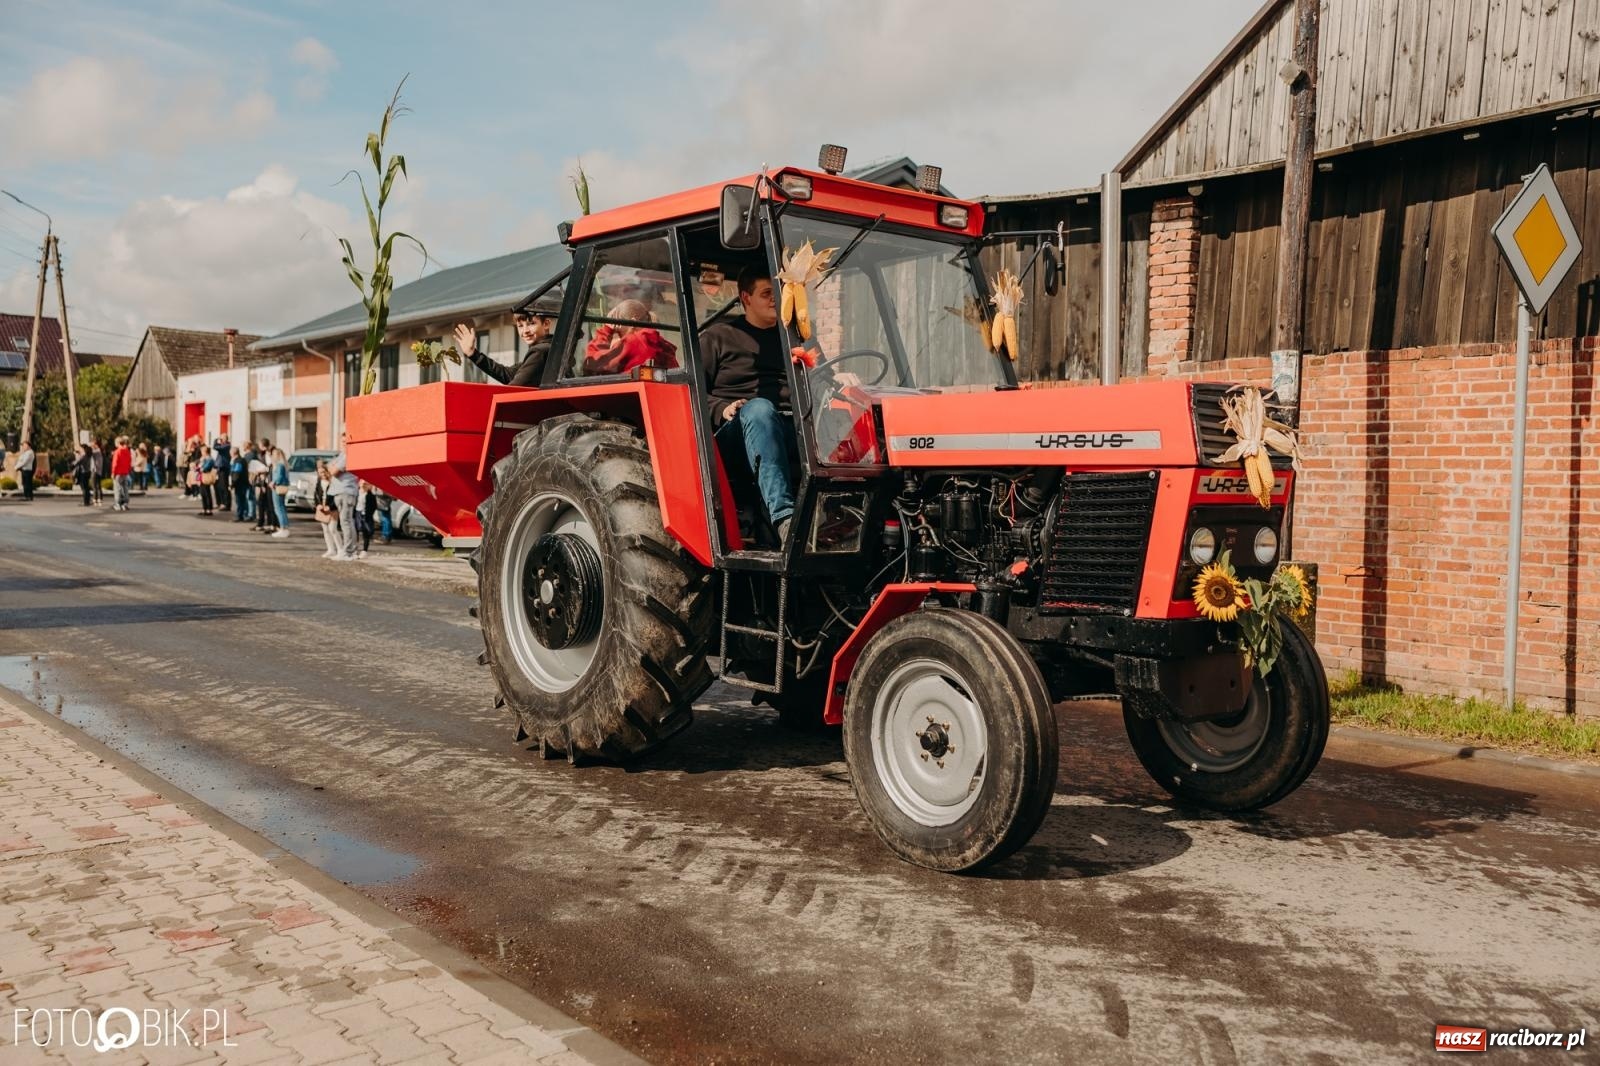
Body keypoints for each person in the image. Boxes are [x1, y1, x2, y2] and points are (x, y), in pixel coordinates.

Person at [700, 267, 795, 542]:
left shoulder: (793, 338)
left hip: (789, 425)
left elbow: (820, 376)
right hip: (736, 433)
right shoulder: (718, 336)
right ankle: (785, 518)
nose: (774, 299)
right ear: (746, 297)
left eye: (778, 292)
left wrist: (840, 379)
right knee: (759, 408)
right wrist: (722, 408)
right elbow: (688, 393)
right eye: (767, 293)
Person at [453, 288, 561, 387]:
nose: (525, 331)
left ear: (546, 324)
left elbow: (514, 386)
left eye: (531, 323)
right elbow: (508, 375)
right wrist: (473, 354)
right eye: (520, 326)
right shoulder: (550, 348)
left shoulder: (540, 352)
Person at [582, 299, 678, 376]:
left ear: (633, 322)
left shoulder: (637, 342)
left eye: (618, 331)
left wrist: (607, 330)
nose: (620, 339)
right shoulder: (660, 345)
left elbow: (591, 365)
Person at [326, 448, 360, 560]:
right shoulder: (342, 454)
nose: (344, 444)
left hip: (346, 491)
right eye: (342, 441)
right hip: (340, 491)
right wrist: (331, 467)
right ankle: (350, 550)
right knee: (347, 521)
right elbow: (329, 466)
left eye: (346, 441)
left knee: (346, 522)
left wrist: (332, 467)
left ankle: (348, 551)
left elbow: (333, 472)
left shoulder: (348, 455)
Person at [313, 461, 342, 558]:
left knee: (333, 529)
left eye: (324, 472)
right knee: (325, 529)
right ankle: (331, 549)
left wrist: (331, 506)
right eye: (320, 472)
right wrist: (317, 505)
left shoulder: (334, 481)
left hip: (332, 507)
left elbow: (337, 496)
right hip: (322, 506)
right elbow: (316, 495)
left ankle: (340, 549)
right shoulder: (319, 482)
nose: (323, 474)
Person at [268, 448, 291, 538]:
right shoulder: (281, 464)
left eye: (273, 454)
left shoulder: (279, 465)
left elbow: (279, 476)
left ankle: (283, 528)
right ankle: (283, 527)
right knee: (280, 508)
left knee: (279, 508)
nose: (272, 456)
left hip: (278, 487)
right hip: (278, 487)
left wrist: (273, 482)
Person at [110, 436, 133, 511]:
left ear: (118, 443)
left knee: (117, 488)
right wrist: (128, 470)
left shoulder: (117, 451)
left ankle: (118, 503)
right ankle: (125, 503)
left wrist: (113, 472)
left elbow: (115, 463)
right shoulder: (127, 451)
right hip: (125, 472)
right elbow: (129, 461)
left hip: (118, 472)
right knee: (125, 488)